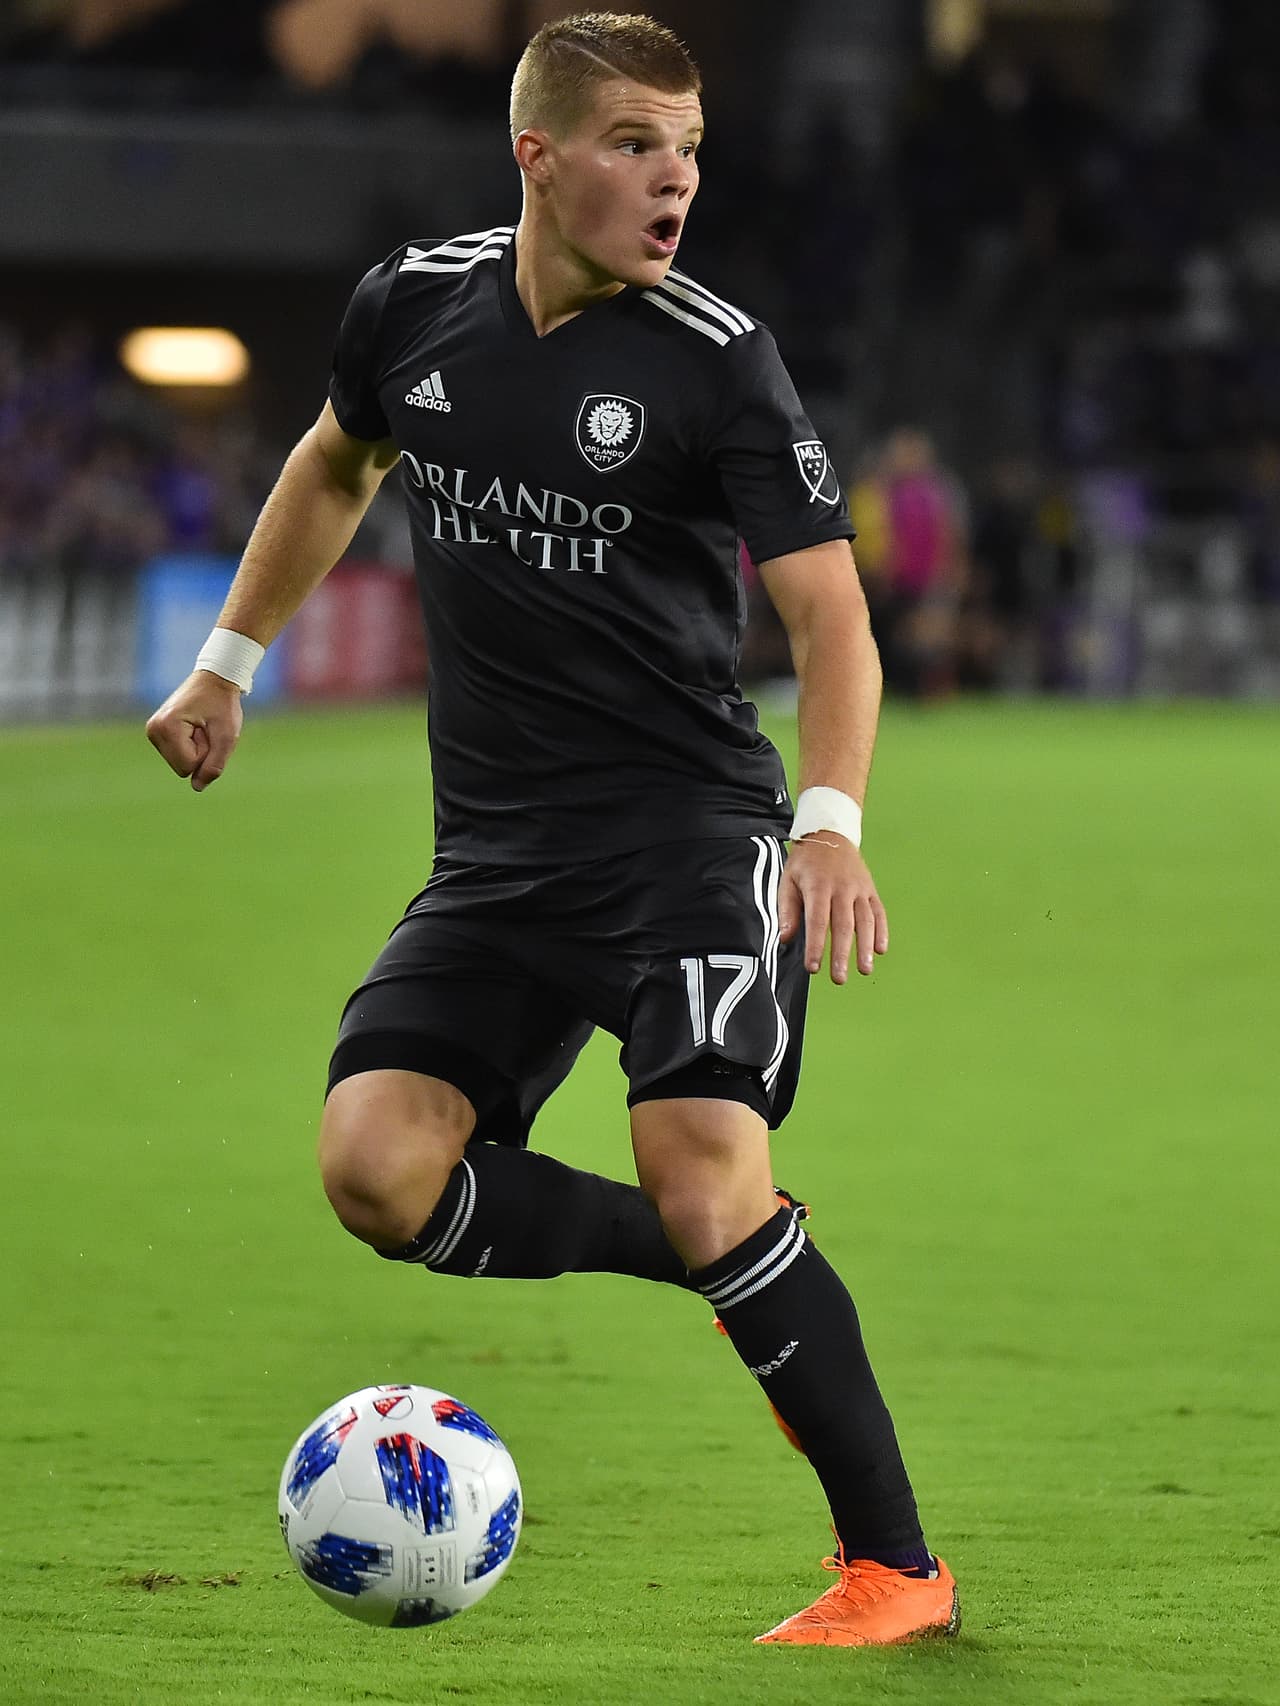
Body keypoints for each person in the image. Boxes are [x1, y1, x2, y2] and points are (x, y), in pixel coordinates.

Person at [146, 12, 959, 1648]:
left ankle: (897, 1570)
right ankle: (706, 1255)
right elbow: (331, 461)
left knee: (708, 1167)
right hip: (499, 858)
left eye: (693, 151)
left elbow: (833, 617)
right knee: (376, 1171)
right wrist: (229, 663)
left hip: (686, 840)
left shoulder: (716, 353)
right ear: (540, 153)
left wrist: (828, 822)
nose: (678, 183)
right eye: (639, 146)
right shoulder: (415, 305)